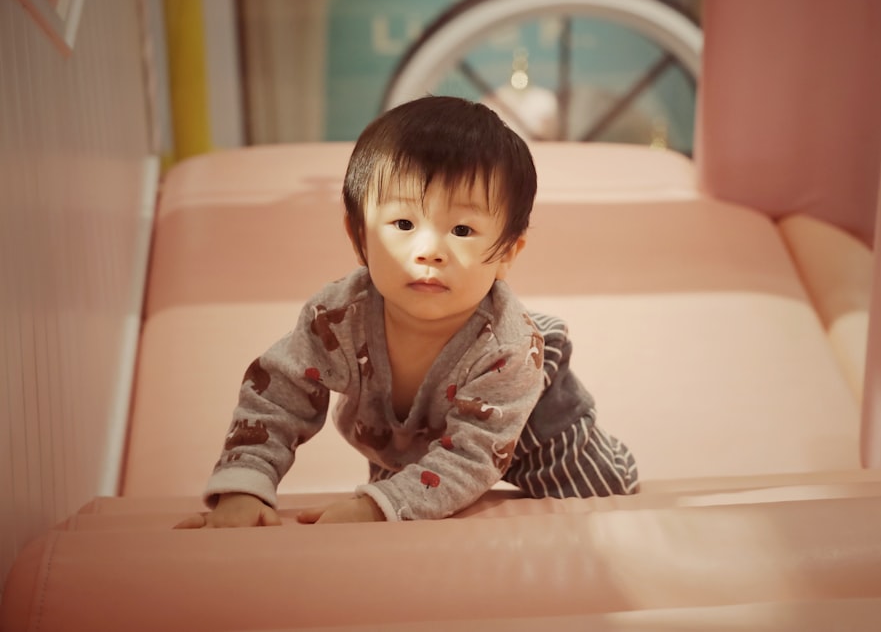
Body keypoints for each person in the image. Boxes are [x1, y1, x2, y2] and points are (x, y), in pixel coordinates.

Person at [176, 96, 638, 529]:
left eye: (461, 229)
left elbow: (470, 458)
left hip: (537, 425)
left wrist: (378, 509)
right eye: (402, 224)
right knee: (398, 509)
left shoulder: (509, 349)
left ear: (506, 254)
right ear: (359, 235)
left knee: (598, 500)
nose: (429, 251)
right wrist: (246, 485)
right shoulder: (338, 317)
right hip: (406, 442)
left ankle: (565, 395)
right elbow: (278, 396)